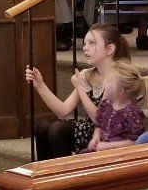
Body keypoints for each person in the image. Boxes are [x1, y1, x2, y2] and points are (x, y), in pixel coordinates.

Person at [25, 24, 131, 158]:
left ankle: (66, 177)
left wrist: (80, 88)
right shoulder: (88, 75)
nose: (85, 48)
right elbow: (63, 110)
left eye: (92, 43)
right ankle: (45, 176)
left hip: (110, 135)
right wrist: (40, 85)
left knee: (58, 130)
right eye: (85, 43)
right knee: (42, 128)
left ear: (109, 49)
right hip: (90, 131)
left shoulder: (120, 77)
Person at [81, 61, 148, 153]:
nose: (104, 83)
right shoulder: (106, 104)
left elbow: (135, 141)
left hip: (121, 154)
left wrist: (108, 146)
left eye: (108, 81)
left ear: (120, 91)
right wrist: (95, 139)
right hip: (102, 150)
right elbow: (99, 125)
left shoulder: (132, 113)